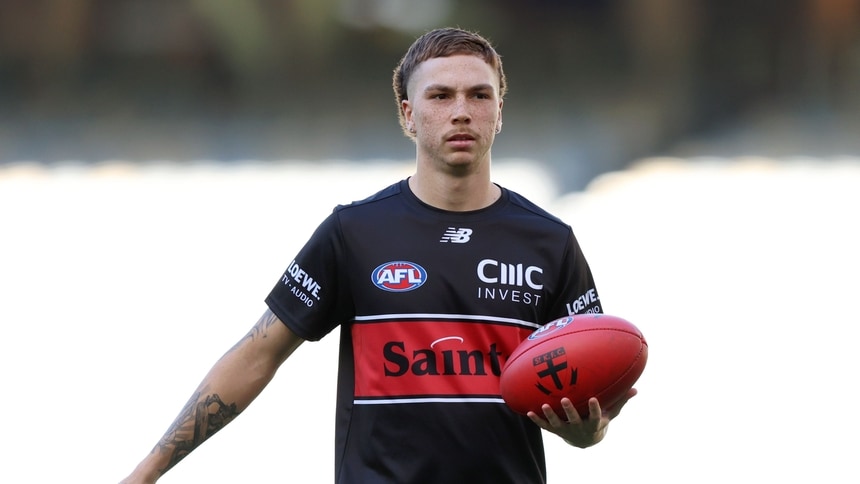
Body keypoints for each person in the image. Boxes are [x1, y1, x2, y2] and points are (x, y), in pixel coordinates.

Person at [120, 27, 636, 484]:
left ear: (499, 112)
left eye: (479, 95)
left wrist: (588, 432)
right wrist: (148, 471)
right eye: (440, 95)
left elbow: (584, 395)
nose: (460, 110)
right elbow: (257, 355)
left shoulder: (550, 241)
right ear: (409, 115)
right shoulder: (354, 231)